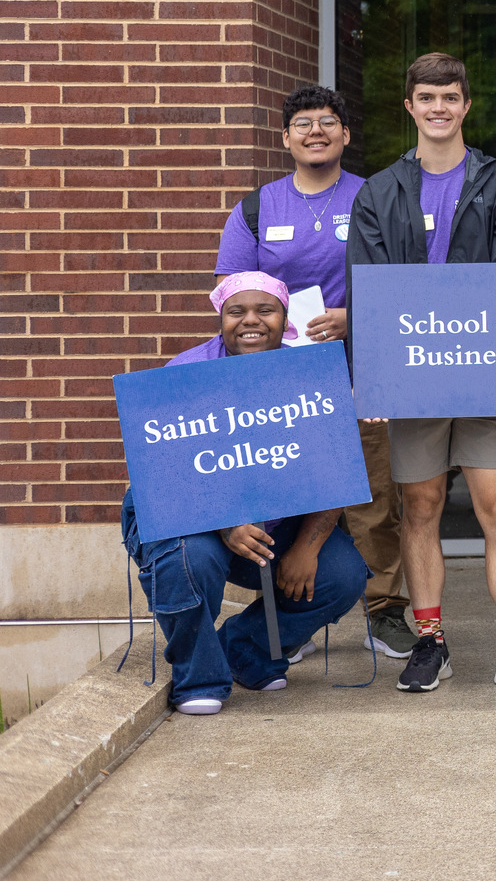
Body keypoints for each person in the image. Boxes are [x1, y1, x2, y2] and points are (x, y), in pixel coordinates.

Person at [345, 52, 496, 697]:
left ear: (467, 106)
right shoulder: (380, 191)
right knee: (421, 506)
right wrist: (374, 380)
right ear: (409, 106)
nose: (439, 109)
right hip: (412, 377)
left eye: (451, 98)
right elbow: (368, 289)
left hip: (486, 373)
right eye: (427, 98)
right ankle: (430, 640)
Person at [212, 86, 412, 659]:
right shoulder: (257, 208)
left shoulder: (377, 198)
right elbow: (230, 292)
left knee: (374, 495)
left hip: (361, 371)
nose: (316, 131)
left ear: (346, 135)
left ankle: (386, 609)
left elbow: (406, 282)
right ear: (286, 138)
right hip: (281, 383)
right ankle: (294, 617)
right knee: (290, 491)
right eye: (303, 123)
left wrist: (358, 317)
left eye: (329, 121)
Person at [119, 273, 369, 715]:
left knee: (341, 574)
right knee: (192, 561)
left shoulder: (310, 373)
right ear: (221, 319)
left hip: (275, 522)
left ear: (284, 319)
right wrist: (226, 523)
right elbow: (167, 472)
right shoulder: (186, 372)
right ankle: (199, 678)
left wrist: (308, 549)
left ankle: (243, 651)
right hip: (187, 516)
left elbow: (332, 470)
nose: (250, 321)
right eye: (237, 312)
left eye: (264, 310)